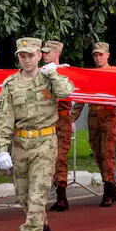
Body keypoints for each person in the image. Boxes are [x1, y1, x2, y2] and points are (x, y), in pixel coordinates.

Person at [0, 38, 74, 231]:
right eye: (22, 55)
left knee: (38, 198)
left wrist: (55, 74)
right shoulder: (10, 84)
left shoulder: (49, 78)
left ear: (40, 55)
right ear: (18, 57)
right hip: (20, 144)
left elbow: (67, 92)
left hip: (45, 143)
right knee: (25, 200)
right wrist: (1, 148)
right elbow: (4, 118)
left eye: (31, 55)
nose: (27, 59)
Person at [77, 41, 116, 206]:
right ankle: (113, 187)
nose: (98, 58)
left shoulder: (115, 73)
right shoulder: (90, 74)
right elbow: (82, 98)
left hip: (109, 115)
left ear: (107, 55)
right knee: (97, 153)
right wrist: (72, 118)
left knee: (107, 153)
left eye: (100, 54)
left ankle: (107, 190)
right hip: (94, 116)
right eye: (95, 55)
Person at [41, 39, 75, 213]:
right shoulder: (40, 73)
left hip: (61, 120)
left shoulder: (66, 72)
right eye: (44, 52)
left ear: (57, 54)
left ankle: (62, 195)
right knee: (46, 158)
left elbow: (67, 93)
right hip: (46, 121)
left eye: (48, 52)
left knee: (60, 157)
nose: (44, 55)